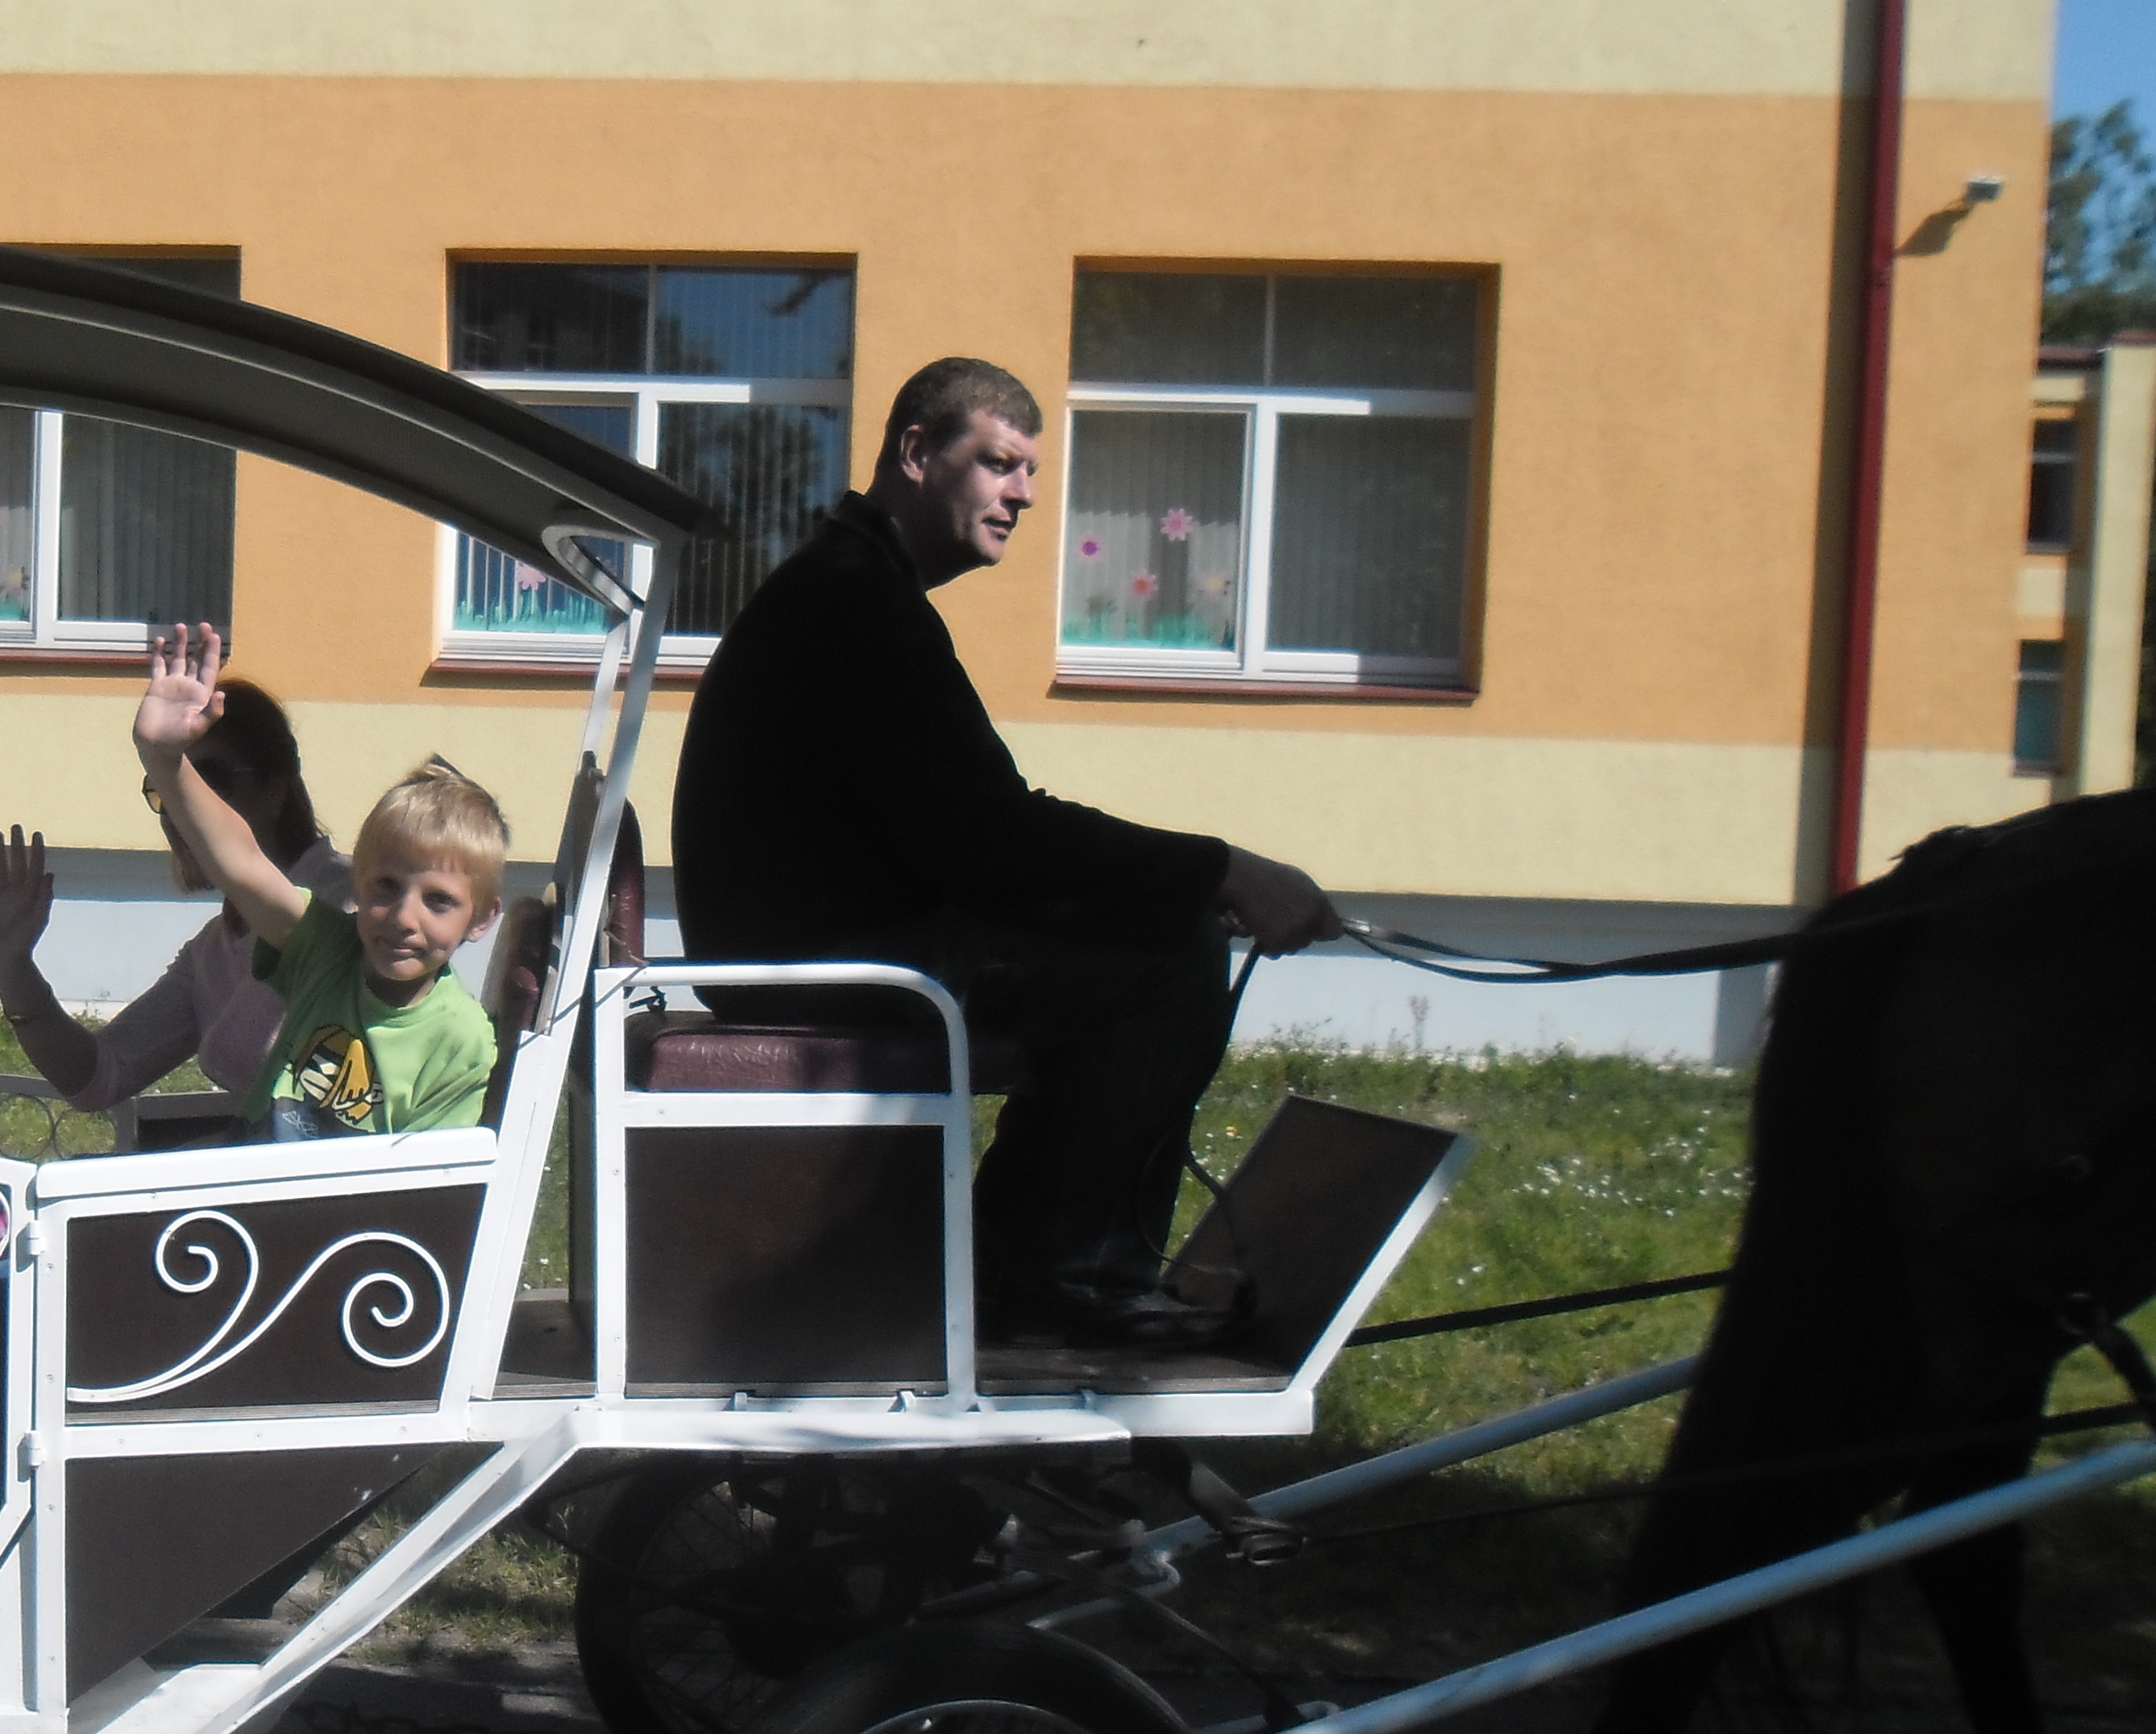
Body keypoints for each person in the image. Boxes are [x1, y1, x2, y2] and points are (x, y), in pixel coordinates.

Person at [670, 357, 1346, 1349]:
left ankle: (1021, 1267)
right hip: (820, 964)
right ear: (916, 453)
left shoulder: (850, 585)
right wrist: (1220, 873)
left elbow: (978, 837)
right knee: (1169, 961)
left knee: (1144, 935)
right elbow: (995, 842)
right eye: (997, 463)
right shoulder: (858, 604)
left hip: (812, 944)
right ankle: (1066, 1277)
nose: (1023, 493)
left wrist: (1183, 878)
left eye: (1029, 471)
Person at [133, 623, 505, 1139]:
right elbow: (240, 862)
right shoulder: (324, 949)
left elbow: (430, 1179)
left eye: (439, 901)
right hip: (248, 1173)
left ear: (482, 918)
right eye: (385, 886)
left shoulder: (462, 1040)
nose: (404, 917)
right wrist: (163, 759)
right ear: (358, 881)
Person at [0, 672, 351, 1118]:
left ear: (274, 792)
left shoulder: (350, 905)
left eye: (209, 781)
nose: (178, 810)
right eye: (165, 790)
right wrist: (12, 968)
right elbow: (99, 1078)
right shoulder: (215, 950)